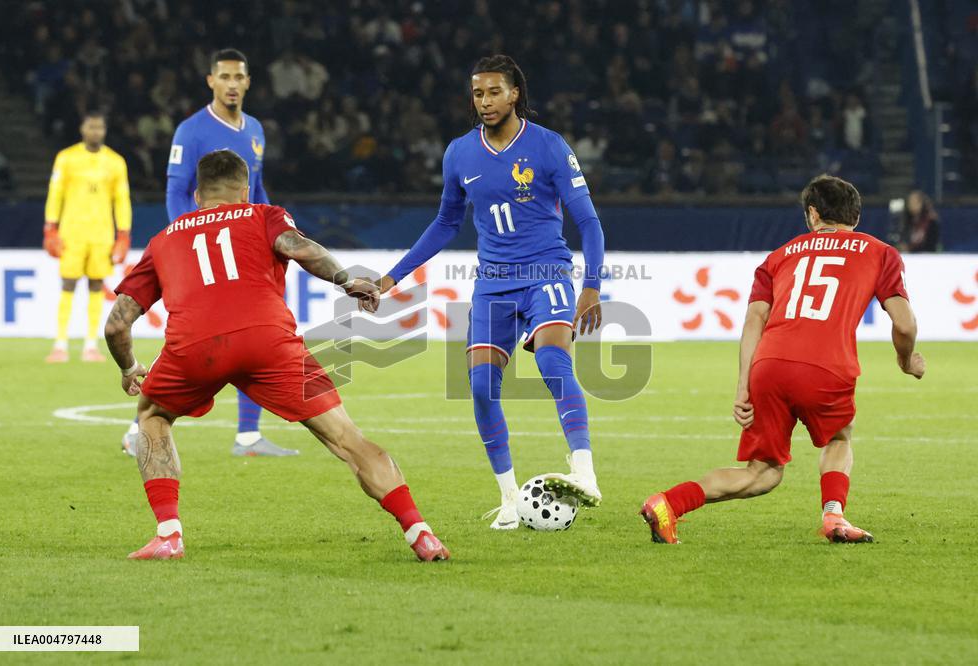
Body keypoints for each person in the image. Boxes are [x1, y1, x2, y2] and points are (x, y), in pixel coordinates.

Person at [104, 149, 449, 562]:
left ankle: (168, 535)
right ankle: (420, 532)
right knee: (347, 439)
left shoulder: (163, 240)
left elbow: (116, 325)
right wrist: (345, 280)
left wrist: (129, 367)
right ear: (245, 191)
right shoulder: (263, 215)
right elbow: (300, 248)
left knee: (153, 416)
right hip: (268, 341)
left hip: (195, 347)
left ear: (196, 196)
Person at [376, 55, 606, 529]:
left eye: (495, 91)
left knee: (553, 362)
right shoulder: (459, 153)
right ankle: (508, 498)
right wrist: (392, 277)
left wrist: (591, 286)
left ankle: (584, 473)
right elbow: (445, 223)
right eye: (478, 93)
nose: (485, 101)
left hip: (546, 272)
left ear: (515, 93)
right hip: (493, 282)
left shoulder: (549, 146)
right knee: (481, 387)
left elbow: (588, 220)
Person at [641, 175, 925, 544]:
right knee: (838, 437)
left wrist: (743, 385)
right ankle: (834, 517)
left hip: (769, 365)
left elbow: (754, 320)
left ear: (813, 214)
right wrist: (906, 360)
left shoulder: (778, 256)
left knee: (762, 473)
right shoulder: (879, 252)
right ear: (855, 216)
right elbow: (904, 324)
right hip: (826, 366)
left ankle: (667, 503)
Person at [121, 48, 294, 458]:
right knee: (194, 336)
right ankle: (137, 429)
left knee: (256, 330)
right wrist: (187, 243)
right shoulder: (191, 130)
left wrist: (272, 233)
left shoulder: (255, 129)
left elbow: (257, 191)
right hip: (202, 251)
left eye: (239, 77)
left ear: (248, 82)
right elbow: (176, 191)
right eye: (225, 77)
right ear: (211, 81)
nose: (232, 84)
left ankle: (248, 436)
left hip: (244, 251)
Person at [44, 111, 131, 363]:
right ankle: (60, 344)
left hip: (101, 234)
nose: (95, 131)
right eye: (91, 127)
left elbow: (122, 200)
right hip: (71, 233)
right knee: (68, 284)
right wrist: (50, 227)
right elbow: (55, 194)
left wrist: (123, 233)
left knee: (96, 285)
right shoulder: (66, 158)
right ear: (82, 129)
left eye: (99, 127)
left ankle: (91, 345)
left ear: (105, 130)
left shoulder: (116, 162)